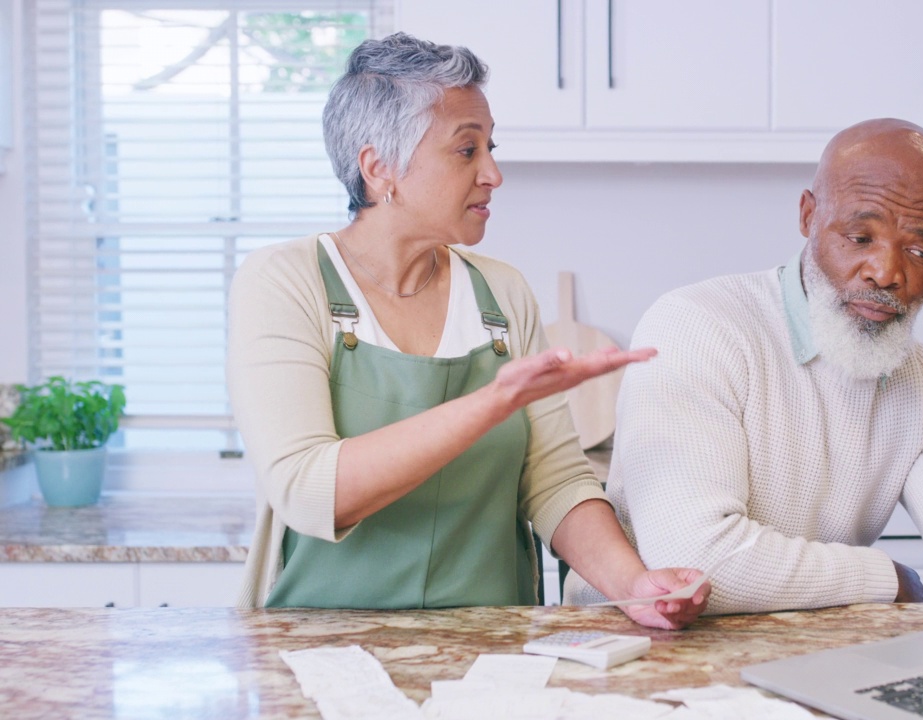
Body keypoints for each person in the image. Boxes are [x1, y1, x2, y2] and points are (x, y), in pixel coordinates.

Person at [227, 33, 707, 629]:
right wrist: (495, 400)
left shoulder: (500, 294)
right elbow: (308, 489)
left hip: (493, 649)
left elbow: (555, 480)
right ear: (379, 169)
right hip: (319, 650)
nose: (494, 174)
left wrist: (634, 585)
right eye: (466, 150)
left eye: (491, 147)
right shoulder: (285, 282)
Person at [565, 118, 923, 614]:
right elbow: (691, 563)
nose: (887, 272)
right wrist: (883, 576)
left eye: (919, 251)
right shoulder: (697, 326)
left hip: (802, 654)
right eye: (859, 237)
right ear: (808, 216)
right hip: (630, 652)